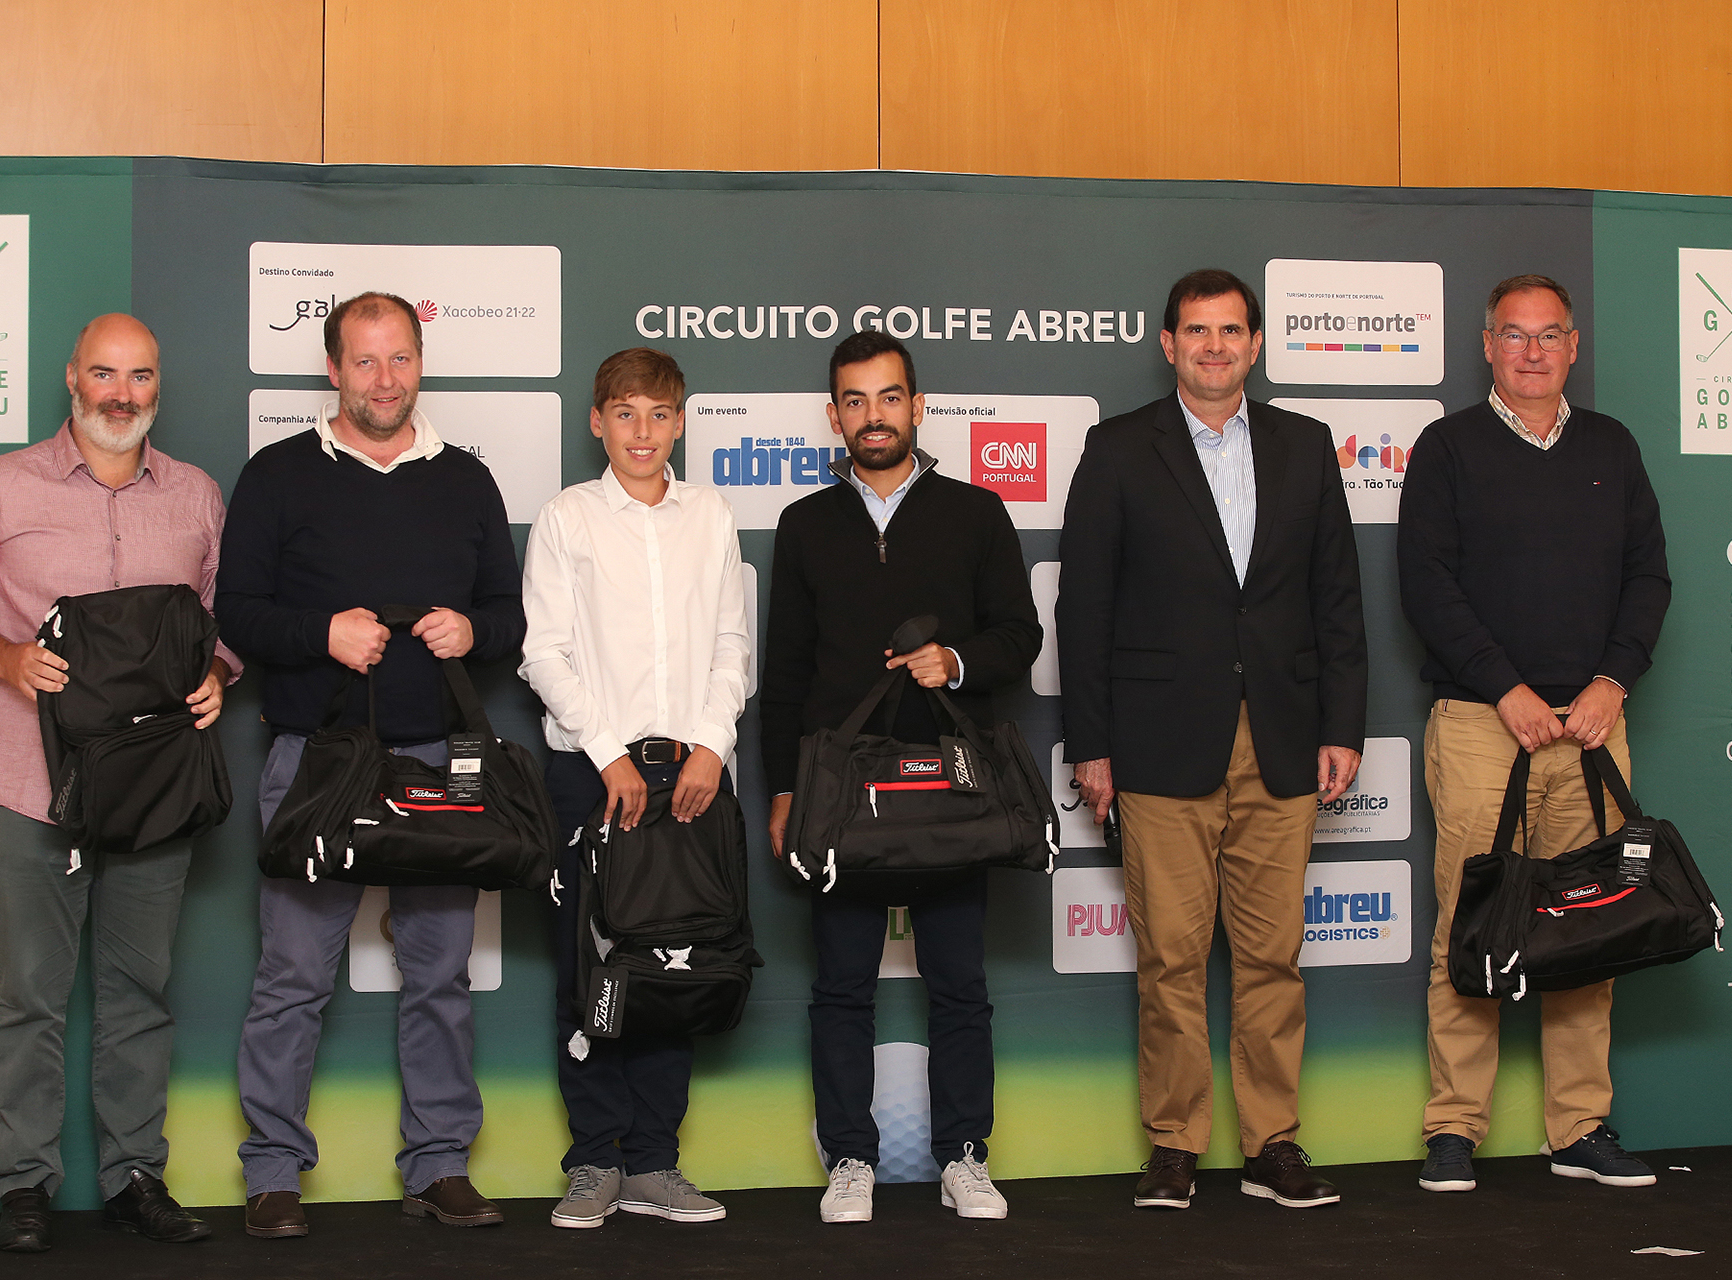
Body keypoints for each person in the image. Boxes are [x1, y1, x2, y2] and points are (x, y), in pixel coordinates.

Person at [0, 314, 233, 1252]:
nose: (121, 395)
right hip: (28, 779)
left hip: (156, 782)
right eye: (104, 374)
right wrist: (4, 658)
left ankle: (135, 1178)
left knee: (139, 992)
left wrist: (219, 673)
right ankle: (26, 1187)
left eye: (139, 376)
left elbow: (216, 618)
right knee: (31, 998)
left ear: (158, 385)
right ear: (72, 379)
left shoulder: (197, 496)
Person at [1058, 269, 1367, 1210]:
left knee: (1273, 959)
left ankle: (1274, 1142)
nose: (1215, 346)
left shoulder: (1305, 445)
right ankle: (1174, 1144)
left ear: (1256, 344)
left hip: (1282, 735)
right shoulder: (1118, 448)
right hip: (1159, 743)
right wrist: (1091, 744)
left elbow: (1337, 597)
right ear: (1168, 344)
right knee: (1171, 961)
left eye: (1231, 330)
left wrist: (1342, 725)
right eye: (1197, 331)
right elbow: (1084, 608)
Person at [219, 291, 526, 1236]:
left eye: (400, 359)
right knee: (293, 976)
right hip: (317, 761)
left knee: (441, 974)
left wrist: (473, 630)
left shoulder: (467, 480)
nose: (384, 380)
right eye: (365, 361)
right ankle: (273, 1172)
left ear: (420, 364)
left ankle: (439, 1164)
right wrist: (323, 633)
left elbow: (510, 617)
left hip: (437, 761)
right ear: (333, 369)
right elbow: (238, 614)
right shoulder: (277, 475)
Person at [1399, 274, 1671, 1193]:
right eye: (1513, 335)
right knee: (1472, 924)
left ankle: (1579, 1129)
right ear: (1487, 346)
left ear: (1573, 346)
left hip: (1592, 728)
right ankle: (1453, 1128)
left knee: (1590, 927)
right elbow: (1427, 584)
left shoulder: (1612, 446)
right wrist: (1504, 687)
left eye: (1549, 334)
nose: (1532, 351)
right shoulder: (1447, 448)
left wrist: (1612, 681)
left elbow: (1649, 578)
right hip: (1484, 725)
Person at [762, 330, 1041, 1224]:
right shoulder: (805, 524)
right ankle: (850, 1157)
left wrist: (955, 661)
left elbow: (1021, 636)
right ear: (833, 415)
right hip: (841, 794)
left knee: (959, 985)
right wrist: (782, 790)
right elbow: (785, 671)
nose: (873, 416)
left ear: (918, 408)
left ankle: (964, 1155)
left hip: (950, 789)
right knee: (841, 986)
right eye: (855, 400)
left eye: (889, 398)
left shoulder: (977, 512)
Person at [519, 347, 750, 1228]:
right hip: (591, 776)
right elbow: (544, 653)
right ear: (597, 421)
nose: (641, 432)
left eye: (658, 415)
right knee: (592, 971)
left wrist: (712, 747)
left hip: (691, 775)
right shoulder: (567, 518)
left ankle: (654, 1163)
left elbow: (731, 646)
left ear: (680, 422)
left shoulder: (711, 515)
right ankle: (594, 1163)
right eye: (624, 413)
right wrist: (607, 754)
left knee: (674, 967)